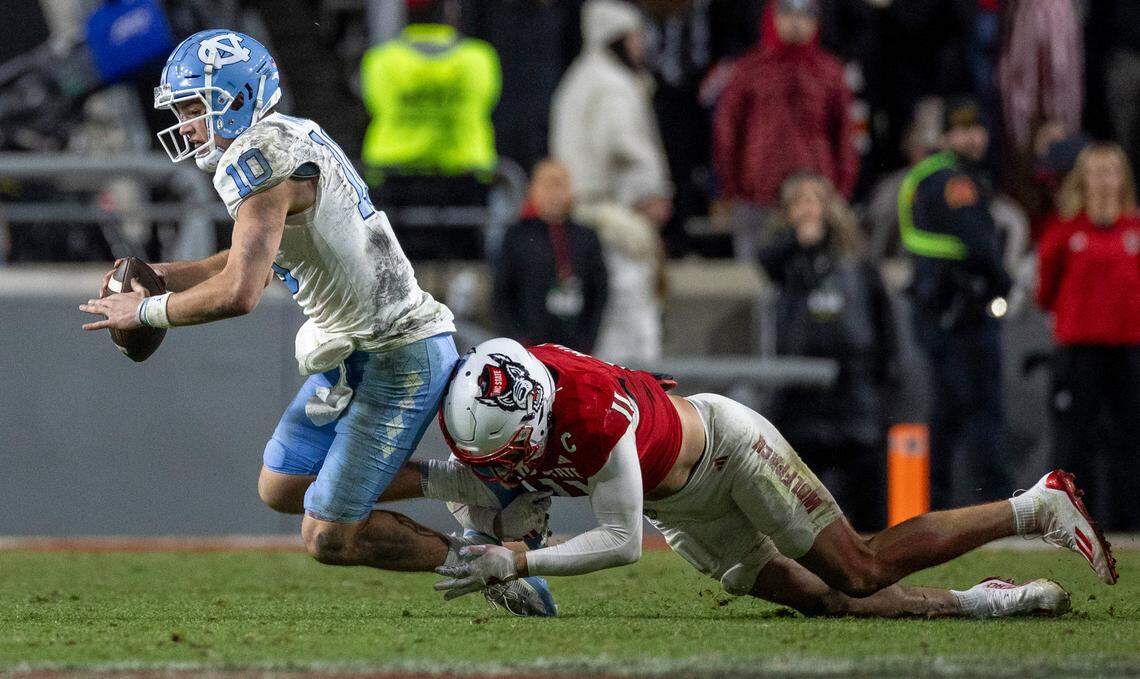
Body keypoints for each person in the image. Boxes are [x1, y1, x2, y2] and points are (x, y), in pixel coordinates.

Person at [78, 29, 556, 616]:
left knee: (329, 536)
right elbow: (250, 257)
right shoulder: (284, 137)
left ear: (237, 98)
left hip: (397, 353)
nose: (186, 124)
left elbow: (240, 292)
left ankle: (496, 567)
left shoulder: (257, 162)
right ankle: (474, 483)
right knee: (282, 486)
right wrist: (163, 274)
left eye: (193, 107)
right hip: (355, 349)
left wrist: (146, 310)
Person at [382, 338, 1115, 620]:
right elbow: (479, 480)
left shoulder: (588, 414)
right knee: (828, 602)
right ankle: (989, 602)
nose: (503, 466)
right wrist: (354, 489)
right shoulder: (487, 398)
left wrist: (514, 559)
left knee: (859, 569)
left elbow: (620, 541)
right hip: (680, 505)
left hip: (727, 453)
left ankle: (1035, 506)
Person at [757, 173, 895, 531]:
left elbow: (884, 321)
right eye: (797, 202)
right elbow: (766, 262)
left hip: (853, 385)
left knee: (866, 488)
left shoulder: (857, 261)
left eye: (814, 200)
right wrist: (798, 241)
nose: (807, 209)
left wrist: (885, 376)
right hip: (799, 389)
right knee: (797, 491)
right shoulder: (786, 260)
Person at [897, 96, 1012, 510]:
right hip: (960, 313)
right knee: (980, 414)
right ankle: (994, 509)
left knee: (948, 412)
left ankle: (939, 505)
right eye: (961, 130)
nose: (972, 138)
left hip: (939, 311)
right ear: (945, 137)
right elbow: (978, 244)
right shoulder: (955, 181)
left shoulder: (931, 177)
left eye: (976, 129)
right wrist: (1003, 280)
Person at [551, 0, 673, 366]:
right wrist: (649, 191)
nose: (640, 45)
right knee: (630, 323)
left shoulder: (579, 77)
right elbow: (621, 142)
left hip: (585, 213)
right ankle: (637, 395)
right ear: (614, 37)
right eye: (634, 37)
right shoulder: (611, 83)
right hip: (612, 216)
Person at [1036, 143, 1140, 531]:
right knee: (1074, 441)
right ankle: (1073, 525)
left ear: (1123, 178)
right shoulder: (1065, 230)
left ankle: (1129, 525)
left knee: (1129, 439)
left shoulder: (1134, 230)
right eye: (1095, 172)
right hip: (1078, 353)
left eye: (1110, 171)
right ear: (1082, 180)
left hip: (1129, 350)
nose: (1103, 181)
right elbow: (1045, 291)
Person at [712, 0, 858, 262]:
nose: (796, 22)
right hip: (758, 192)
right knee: (755, 268)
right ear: (772, 16)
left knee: (819, 266)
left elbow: (845, 134)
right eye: (787, 12)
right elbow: (727, 130)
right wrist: (729, 187)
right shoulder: (749, 70)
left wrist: (842, 186)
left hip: (815, 191)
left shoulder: (830, 72)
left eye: (806, 14)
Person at [492, 160, 608, 353]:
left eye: (560, 184)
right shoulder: (517, 236)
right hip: (529, 345)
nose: (554, 193)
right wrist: (516, 339)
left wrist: (588, 340)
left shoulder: (586, 237)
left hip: (575, 344)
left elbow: (599, 291)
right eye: (547, 185)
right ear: (532, 190)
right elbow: (502, 293)